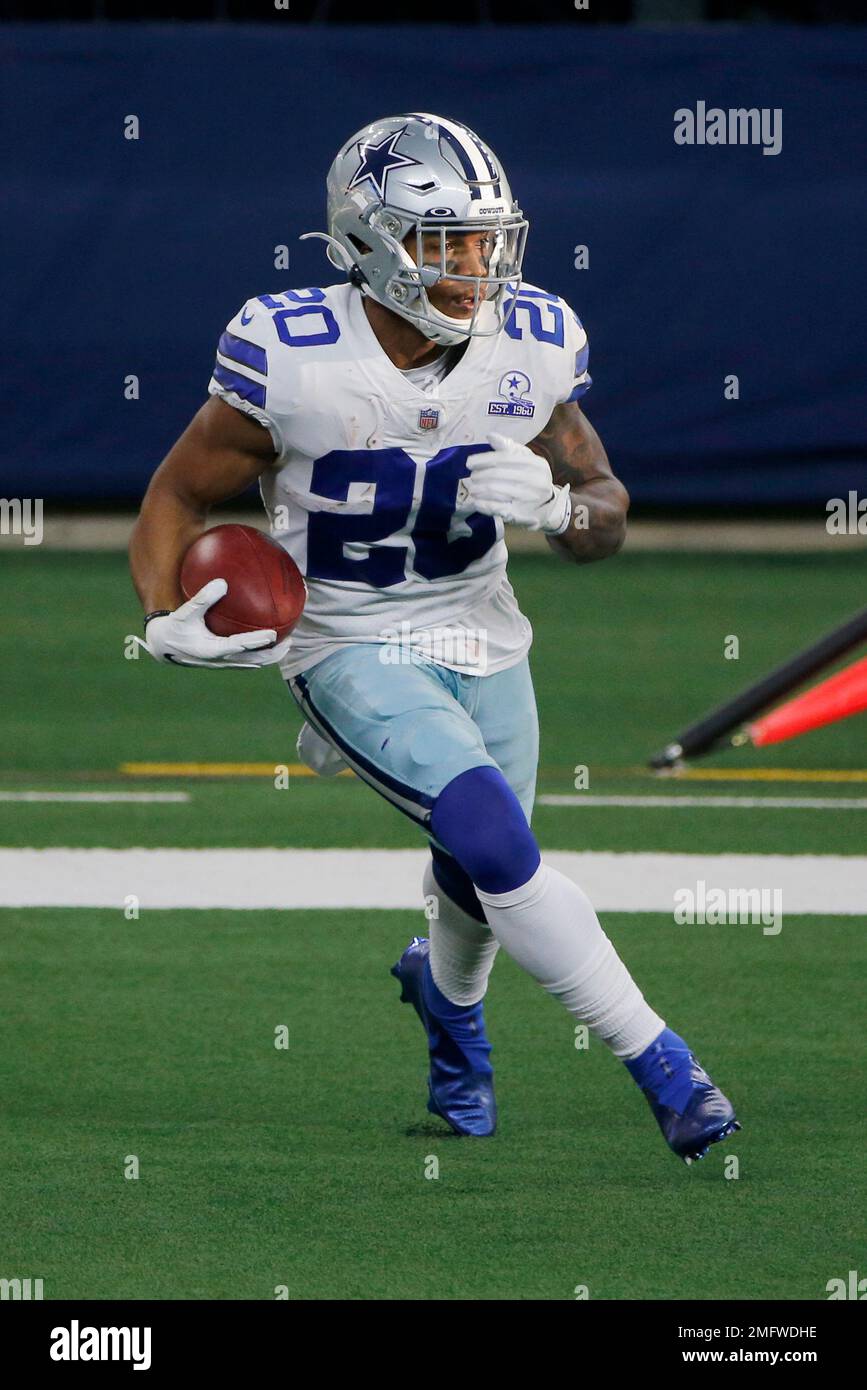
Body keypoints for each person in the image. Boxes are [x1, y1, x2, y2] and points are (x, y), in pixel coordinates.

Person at [130, 113, 740, 1162]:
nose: (474, 265)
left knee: (478, 875)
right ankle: (665, 1064)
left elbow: (605, 508)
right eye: (443, 242)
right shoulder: (293, 354)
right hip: (347, 636)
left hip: (483, 629)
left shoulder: (532, 342)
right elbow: (178, 494)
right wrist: (158, 615)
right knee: (501, 842)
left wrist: (558, 508)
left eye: (484, 239)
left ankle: (451, 1021)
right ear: (366, 242)